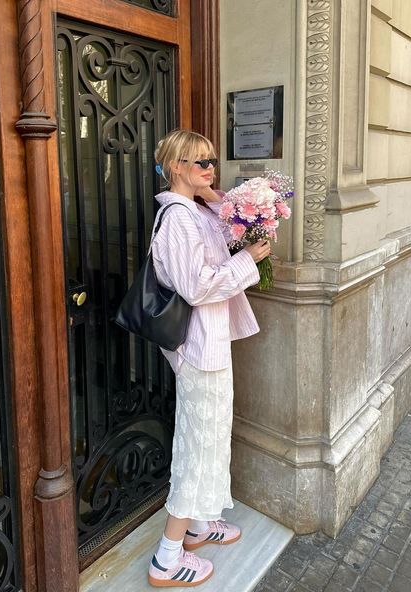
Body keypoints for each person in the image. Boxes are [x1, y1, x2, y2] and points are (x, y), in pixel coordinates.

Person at [147, 130, 270, 587]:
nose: (209, 168)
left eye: (212, 160)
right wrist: (249, 260)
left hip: (211, 344)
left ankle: (198, 527)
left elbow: (227, 227)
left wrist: (213, 195)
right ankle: (167, 555)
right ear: (175, 166)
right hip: (199, 349)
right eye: (199, 163)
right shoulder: (177, 219)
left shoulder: (196, 209)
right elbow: (197, 287)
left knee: (212, 438)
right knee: (198, 446)